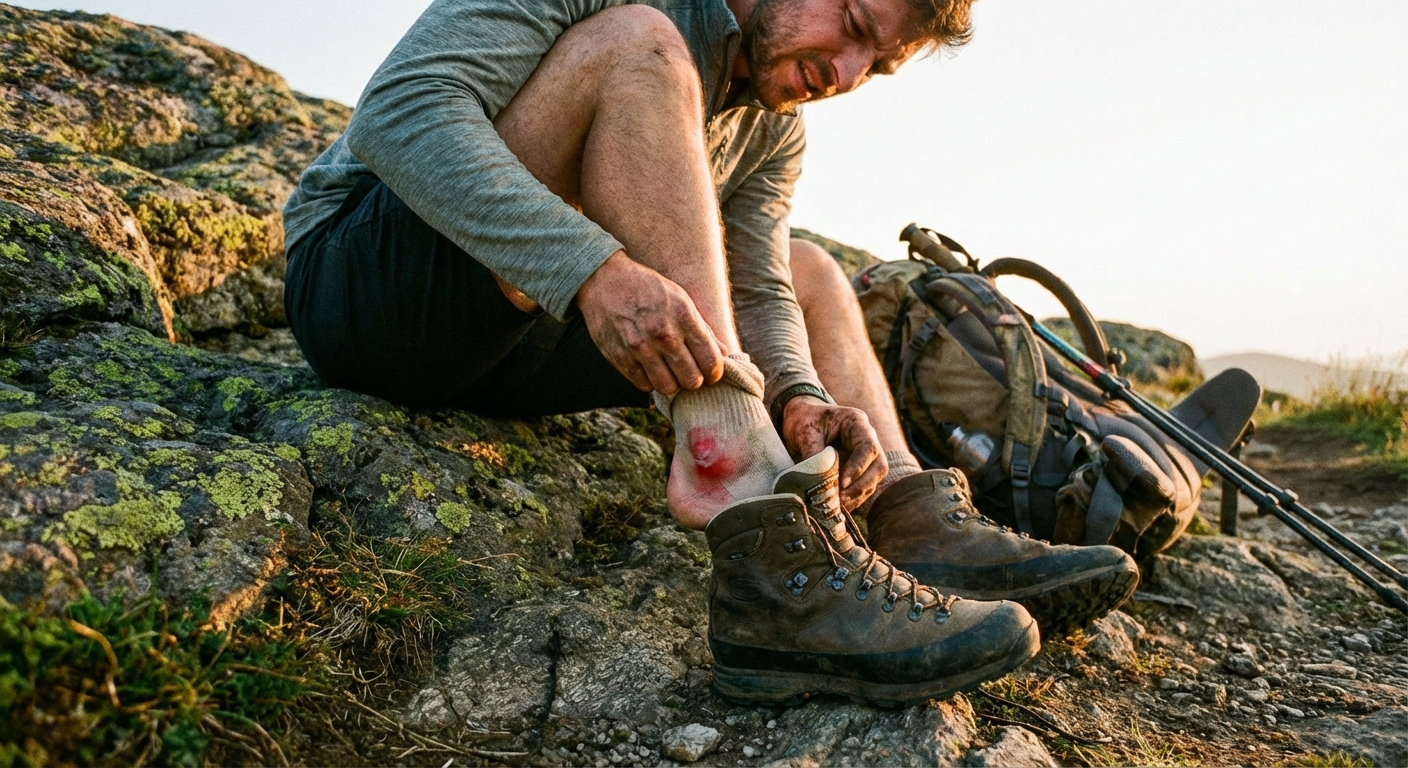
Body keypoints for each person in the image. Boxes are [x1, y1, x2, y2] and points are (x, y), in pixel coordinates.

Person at [282, 0, 1137, 706]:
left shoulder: (776, 128)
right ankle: (770, 552)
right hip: (372, 294)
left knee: (809, 270)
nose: (841, 73)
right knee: (638, 45)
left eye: (874, 67)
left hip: (522, 347)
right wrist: (594, 269)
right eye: (848, 22)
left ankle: (914, 522)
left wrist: (800, 393)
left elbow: (759, 288)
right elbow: (399, 114)